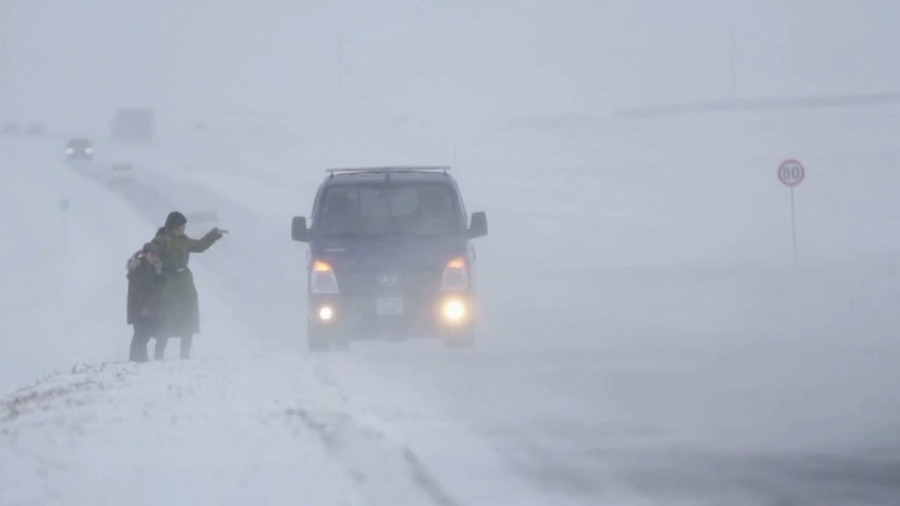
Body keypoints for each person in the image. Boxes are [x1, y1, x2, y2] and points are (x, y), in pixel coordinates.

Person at [152, 211, 227, 360]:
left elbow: (200, 246)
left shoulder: (184, 240)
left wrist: (214, 234)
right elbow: (151, 256)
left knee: (188, 316)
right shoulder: (161, 240)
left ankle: (185, 354)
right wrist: (156, 270)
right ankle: (159, 355)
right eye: (182, 226)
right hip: (167, 282)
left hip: (185, 282)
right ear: (175, 226)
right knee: (166, 317)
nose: (184, 228)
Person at [126, 242, 164, 363]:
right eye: (152, 255)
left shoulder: (150, 267)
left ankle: (140, 361)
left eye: (156, 256)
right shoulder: (139, 268)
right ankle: (136, 361)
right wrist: (145, 306)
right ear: (145, 254)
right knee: (141, 335)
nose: (154, 258)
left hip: (147, 307)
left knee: (144, 335)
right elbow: (142, 288)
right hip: (139, 307)